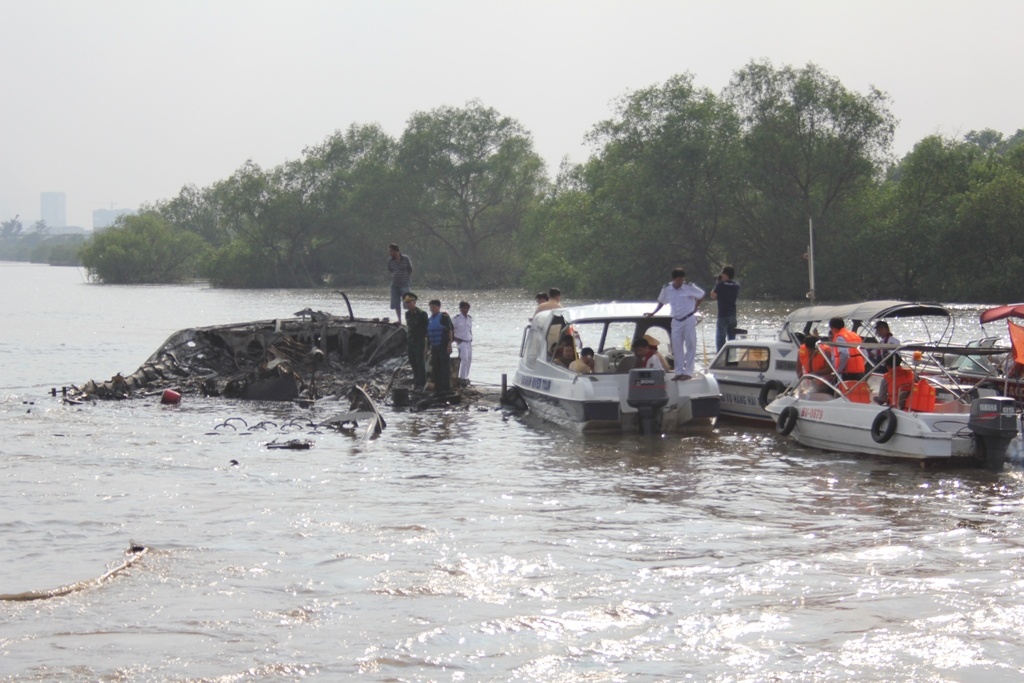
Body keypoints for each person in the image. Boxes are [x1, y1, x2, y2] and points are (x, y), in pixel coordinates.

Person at [645, 268, 704, 380]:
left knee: (690, 345)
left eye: (682, 279)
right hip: (676, 320)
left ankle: (688, 372)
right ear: (673, 280)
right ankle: (679, 372)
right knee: (677, 347)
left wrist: (695, 307)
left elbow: (701, 295)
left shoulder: (689, 287)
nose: (680, 282)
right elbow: (661, 302)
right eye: (678, 280)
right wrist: (653, 312)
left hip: (688, 318)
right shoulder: (667, 288)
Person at [709, 265, 740, 351]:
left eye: (722, 273)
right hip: (733, 316)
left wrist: (717, 283)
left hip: (723, 316)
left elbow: (712, 295)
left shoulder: (721, 284)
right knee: (732, 339)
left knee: (720, 339)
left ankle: (719, 357)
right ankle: (732, 359)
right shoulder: (736, 285)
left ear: (725, 274)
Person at [426, 299, 454, 393]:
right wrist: (427, 347)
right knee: (435, 367)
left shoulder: (444, 317)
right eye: (430, 307)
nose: (432, 309)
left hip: (443, 345)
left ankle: (446, 388)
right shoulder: (430, 319)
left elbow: (450, 331)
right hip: (434, 347)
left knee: (445, 367)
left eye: (433, 307)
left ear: (438, 307)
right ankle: (438, 387)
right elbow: (428, 335)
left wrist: (449, 345)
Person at [403, 293, 428, 390]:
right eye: (406, 303)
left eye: (410, 302)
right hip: (411, 341)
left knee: (420, 361)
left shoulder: (422, 314)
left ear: (414, 302)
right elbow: (409, 328)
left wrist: (427, 344)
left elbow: (426, 329)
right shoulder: (407, 314)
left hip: (419, 341)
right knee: (412, 361)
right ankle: (416, 379)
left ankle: (422, 382)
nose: (408, 304)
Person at [386, 244, 413, 324]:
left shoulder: (405, 258)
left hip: (404, 284)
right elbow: (390, 270)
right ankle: (399, 320)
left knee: (408, 303)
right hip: (394, 285)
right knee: (396, 304)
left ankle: (410, 320)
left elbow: (410, 269)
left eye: (391, 251)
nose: (389, 253)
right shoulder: (390, 260)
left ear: (396, 251)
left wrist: (406, 277)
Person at [452, 301, 473, 386]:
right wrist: (455, 339)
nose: (465, 310)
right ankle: (462, 378)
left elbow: (469, 330)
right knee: (464, 359)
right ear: (460, 308)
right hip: (461, 341)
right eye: (463, 308)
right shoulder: (456, 318)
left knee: (469, 359)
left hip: (468, 341)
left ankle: (465, 377)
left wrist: (471, 337)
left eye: (466, 308)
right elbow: (450, 329)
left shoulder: (469, 318)